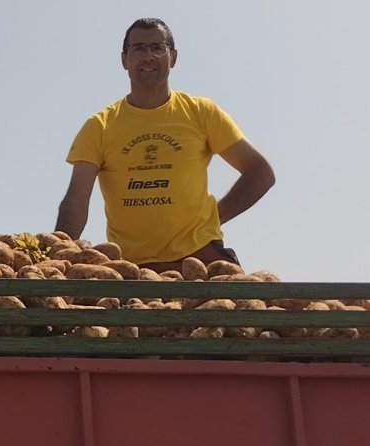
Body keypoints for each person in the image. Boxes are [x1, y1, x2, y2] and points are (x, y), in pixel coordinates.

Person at [54, 18, 275, 272]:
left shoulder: (201, 113)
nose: (148, 56)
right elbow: (77, 199)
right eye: (138, 48)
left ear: (173, 57)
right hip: (131, 268)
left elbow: (260, 173)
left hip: (199, 257)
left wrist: (214, 218)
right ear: (124, 59)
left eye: (158, 48)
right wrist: (57, 259)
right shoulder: (100, 126)